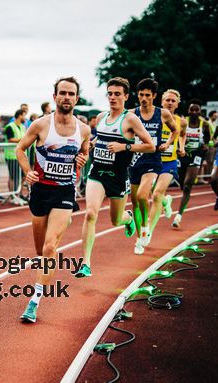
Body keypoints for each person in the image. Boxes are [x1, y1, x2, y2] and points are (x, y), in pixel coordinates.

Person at [16, 77, 90, 323]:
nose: (67, 97)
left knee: (50, 248)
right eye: (63, 93)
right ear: (55, 96)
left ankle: (34, 303)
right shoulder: (40, 125)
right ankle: (44, 274)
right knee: (41, 253)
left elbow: (84, 153)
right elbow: (19, 148)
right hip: (40, 192)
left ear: (76, 98)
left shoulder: (84, 129)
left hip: (64, 192)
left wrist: (82, 159)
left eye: (71, 93)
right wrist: (28, 170)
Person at [77, 77, 155, 278]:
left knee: (115, 220)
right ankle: (85, 263)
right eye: (110, 93)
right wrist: (94, 143)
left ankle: (127, 219)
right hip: (97, 173)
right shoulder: (102, 117)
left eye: (117, 94)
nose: (112, 97)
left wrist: (125, 146)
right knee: (90, 214)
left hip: (118, 177)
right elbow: (100, 138)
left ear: (126, 96)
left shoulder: (130, 119)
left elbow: (150, 145)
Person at [128, 78, 177, 254]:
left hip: (153, 159)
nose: (143, 98)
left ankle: (145, 226)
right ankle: (139, 238)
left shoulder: (162, 114)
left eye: (147, 95)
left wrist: (167, 143)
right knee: (134, 201)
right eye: (141, 95)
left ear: (154, 96)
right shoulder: (132, 114)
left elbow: (175, 130)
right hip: (134, 161)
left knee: (143, 194)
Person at [147, 89, 186, 239]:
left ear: (177, 104)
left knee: (156, 194)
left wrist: (181, 147)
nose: (170, 103)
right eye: (167, 100)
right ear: (162, 101)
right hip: (152, 161)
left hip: (169, 163)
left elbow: (182, 135)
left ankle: (149, 230)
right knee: (152, 192)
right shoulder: (154, 118)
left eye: (173, 101)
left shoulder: (181, 122)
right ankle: (166, 201)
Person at [172, 99, 211, 227]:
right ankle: (185, 195)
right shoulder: (183, 122)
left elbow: (207, 139)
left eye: (197, 110)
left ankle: (179, 215)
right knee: (182, 184)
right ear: (188, 111)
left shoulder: (204, 125)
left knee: (188, 185)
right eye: (191, 110)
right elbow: (176, 135)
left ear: (200, 111)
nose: (194, 112)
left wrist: (204, 146)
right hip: (182, 154)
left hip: (196, 155)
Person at [4, 109, 26, 203]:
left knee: (22, 176)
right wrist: (21, 140)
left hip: (21, 155)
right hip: (11, 155)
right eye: (24, 115)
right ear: (20, 115)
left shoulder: (23, 127)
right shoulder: (10, 126)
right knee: (13, 176)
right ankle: (12, 196)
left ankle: (18, 194)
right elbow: (10, 139)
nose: (25, 117)